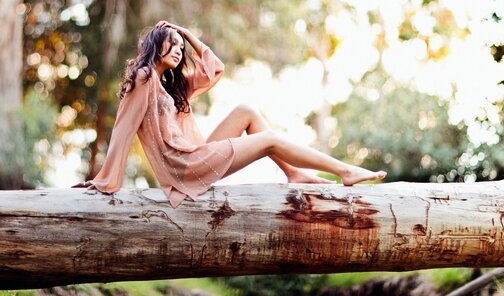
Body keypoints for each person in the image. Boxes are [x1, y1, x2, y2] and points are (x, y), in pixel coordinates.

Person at [73, 20, 386, 207]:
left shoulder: (172, 86)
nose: (180, 50)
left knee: (246, 110)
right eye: (173, 43)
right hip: (184, 167)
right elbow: (123, 129)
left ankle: (293, 173)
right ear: (157, 44)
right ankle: (344, 171)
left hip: (194, 155)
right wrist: (106, 179)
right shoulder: (143, 78)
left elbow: (215, 68)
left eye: (182, 46)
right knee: (271, 139)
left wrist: (184, 32)